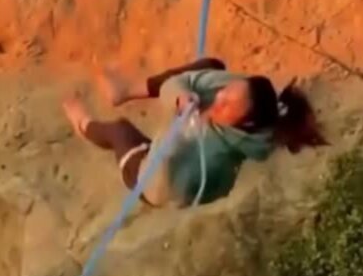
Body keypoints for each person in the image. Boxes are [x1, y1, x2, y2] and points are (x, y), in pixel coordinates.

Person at [61, 57, 329, 208]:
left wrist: (176, 138)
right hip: (173, 152)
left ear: (242, 125)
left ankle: (82, 124)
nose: (218, 99)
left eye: (225, 106)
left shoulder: (209, 156)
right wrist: (180, 98)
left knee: (120, 130)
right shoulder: (236, 92)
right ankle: (125, 91)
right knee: (212, 66)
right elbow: (181, 83)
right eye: (226, 92)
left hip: (152, 178)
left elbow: (170, 190)